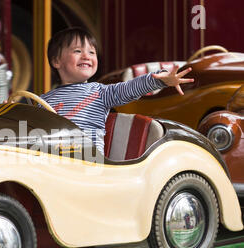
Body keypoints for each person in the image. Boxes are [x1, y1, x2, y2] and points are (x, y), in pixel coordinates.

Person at [40, 27, 194, 154]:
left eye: (92, 52)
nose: (86, 56)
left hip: (87, 161)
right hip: (53, 161)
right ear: (56, 61)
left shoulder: (100, 92)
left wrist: (159, 79)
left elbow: (129, 88)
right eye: (78, 51)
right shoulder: (43, 100)